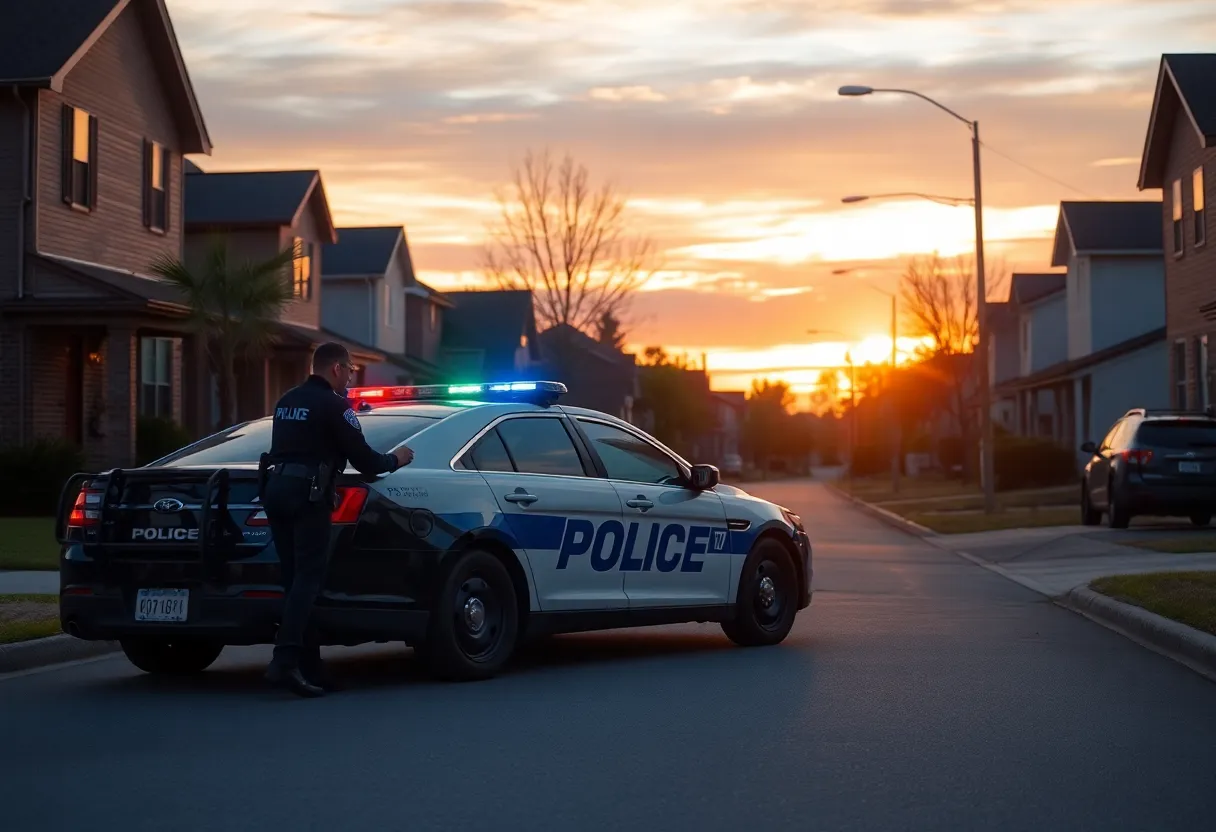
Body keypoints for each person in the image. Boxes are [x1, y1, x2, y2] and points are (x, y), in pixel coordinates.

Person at [261, 342, 414, 697]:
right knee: (308, 580)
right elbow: (367, 462)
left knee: (294, 581)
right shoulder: (334, 405)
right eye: (350, 370)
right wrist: (397, 459)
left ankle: (308, 667)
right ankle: (285, 663)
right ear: (335, 369)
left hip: (276, 491)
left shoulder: (286, 401)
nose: (350, 377)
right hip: (308, 496)